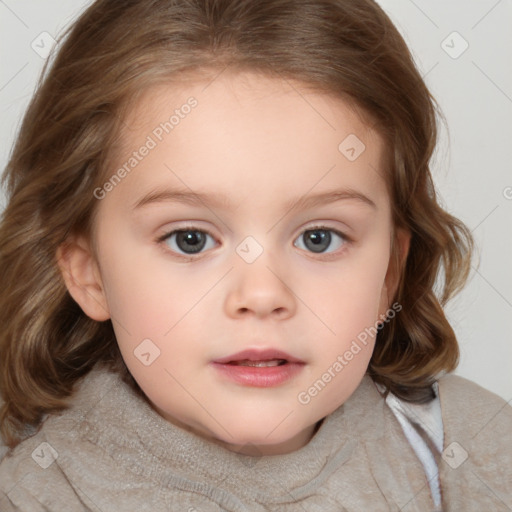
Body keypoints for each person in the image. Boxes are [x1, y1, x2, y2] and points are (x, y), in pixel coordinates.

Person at [0, 0, 510, 510]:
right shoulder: (32, 495)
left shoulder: (466, 452)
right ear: (87, 273)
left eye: (319, 238)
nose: (262, 295)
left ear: (388, 275)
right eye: (190, 239)